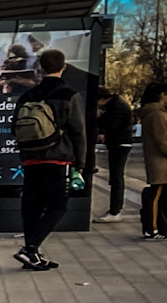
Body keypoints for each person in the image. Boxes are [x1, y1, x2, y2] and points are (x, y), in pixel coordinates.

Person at [11, 48, 86, 272]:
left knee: (32, 205)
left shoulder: (27, 96)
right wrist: (80, 164)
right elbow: (78, 132)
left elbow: (16, 127)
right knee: (57, 205)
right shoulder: (68, 95)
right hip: (57, 158)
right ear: (63, 67)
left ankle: (31, 253)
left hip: (30, 158)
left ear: (40, 68)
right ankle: (30, 248)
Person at [95, 86, 135, 220]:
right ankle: (115, 209)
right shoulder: (117, 103)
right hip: (120, 142)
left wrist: (104, 129)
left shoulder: (116, 106)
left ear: (102, 99)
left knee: (116, 176)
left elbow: (113, 125)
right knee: (116, 175)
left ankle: (115, 210)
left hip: (120, 142)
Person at [141, 83, 167, 241]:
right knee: (156, 195)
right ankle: (153, 228)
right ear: (162, 95)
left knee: (160, 194)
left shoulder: (154, 113)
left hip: (159, 161)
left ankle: (158, 227)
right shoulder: (158, 115)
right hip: (160, 162)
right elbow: (163, 141)